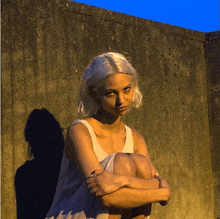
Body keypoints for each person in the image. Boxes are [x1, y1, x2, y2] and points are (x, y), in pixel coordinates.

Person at [45, 52, 171, 219]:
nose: (121, 100)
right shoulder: (80, 131)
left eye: (127, 89)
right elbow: (108, 198)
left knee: (140, 163)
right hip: (73, 214)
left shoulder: (135, 138)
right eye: (110, 93)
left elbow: (160, 187)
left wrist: (122, 181)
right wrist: (161, 193)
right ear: (95, 94)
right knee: (120, 162)